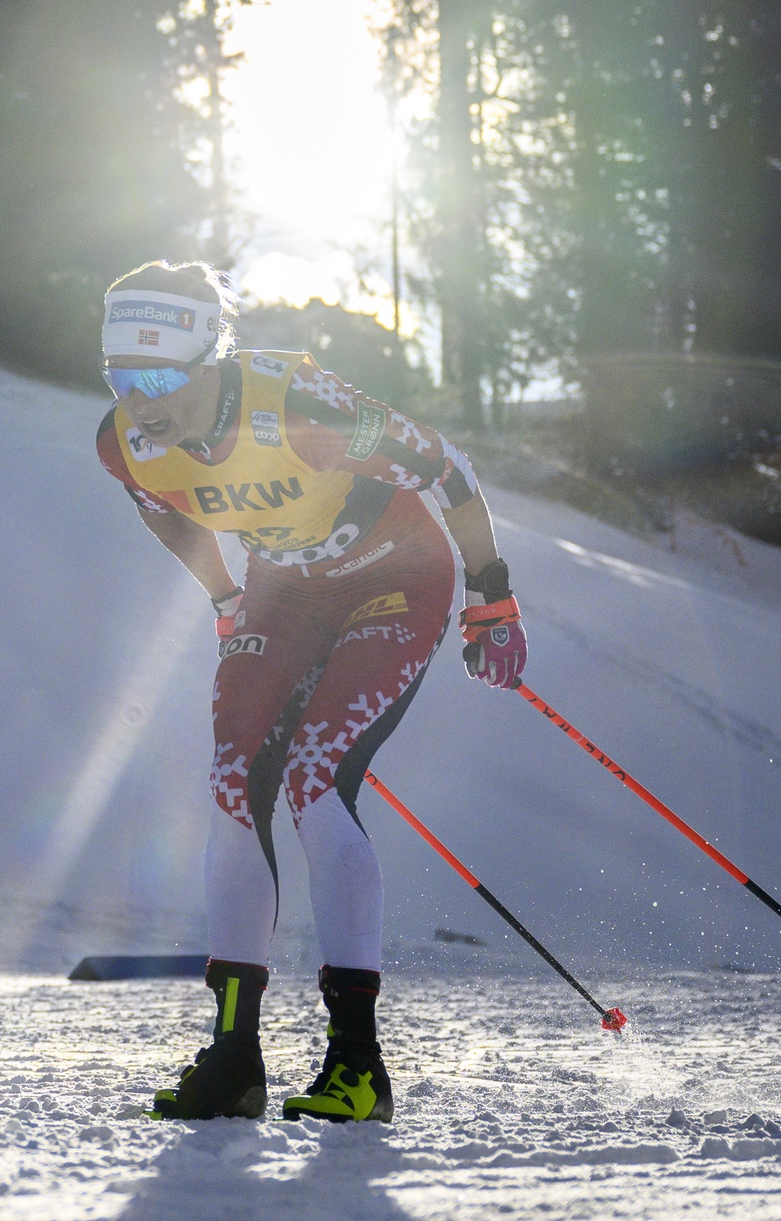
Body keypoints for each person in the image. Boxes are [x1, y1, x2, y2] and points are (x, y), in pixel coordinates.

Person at [92, 260, 526, 1123]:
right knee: (231, 782)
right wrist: (225, 598)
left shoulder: (300, 405)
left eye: (159, 377)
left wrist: (493, 594)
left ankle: (358, 1065)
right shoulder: (124, 444)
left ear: (210, 357)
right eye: (120, 378)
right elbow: (164, 508)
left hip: (392, 573)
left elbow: (449, 471)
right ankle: (234, 1058)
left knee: (315, 777)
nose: (141, 401)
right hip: (283, 590)